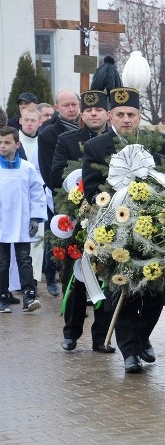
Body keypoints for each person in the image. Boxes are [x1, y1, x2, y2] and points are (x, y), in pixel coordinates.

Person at [82, 86, 165, 373]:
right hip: (115, 229)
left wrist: (153, 166)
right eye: (120, 114)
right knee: (122, 285)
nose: (126, 120)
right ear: (111, 115)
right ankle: (129, 352)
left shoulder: (155, 141)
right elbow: (92, 191)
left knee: (154, 289)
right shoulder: (97, 147)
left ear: (139, 117)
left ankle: (142, 338)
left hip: (155, 229)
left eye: (132, 114)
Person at [51, 85, 114, 353]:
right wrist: (76, 184)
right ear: (82, 114)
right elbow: (54, 175)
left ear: (108, 114)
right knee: (76, 278)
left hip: (111, 216)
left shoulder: (116, 139)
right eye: (89, 110)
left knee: (107, 277)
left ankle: (101, 336)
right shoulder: (68, 140)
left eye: (99, 109)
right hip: (78, 217)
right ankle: (71, 331)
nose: (94, 114)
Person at [37, 90, 80, 297]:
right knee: (57, 236)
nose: (72, 109)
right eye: (66, 105)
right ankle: (52, 275)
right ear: (57, 108)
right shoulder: (47, 134)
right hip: (60, 193)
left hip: (85, 193)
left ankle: (78, 282)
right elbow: (47, 170)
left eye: (74, 104)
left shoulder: (85, 128)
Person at [0, 126, 46, 313]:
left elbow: (37, 194)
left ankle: (29, 295)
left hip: (21, 221)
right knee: (2, 261)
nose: (2, 146)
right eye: (0, 142)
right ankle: (2, 295)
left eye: (7, 142)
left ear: (17, 144)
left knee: (24, 259)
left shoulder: (27, 168)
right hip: (1, 221)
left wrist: (35, 218)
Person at [16, 108, 48, 294]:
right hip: (17, 193)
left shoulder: (43, 141)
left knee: (37, 237)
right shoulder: (14, 140)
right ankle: (16, 280)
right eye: (26, 120)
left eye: (33, 120)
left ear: (39, 122)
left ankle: (34, 278)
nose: (29, 123)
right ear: (20, 121)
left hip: (38, 194)